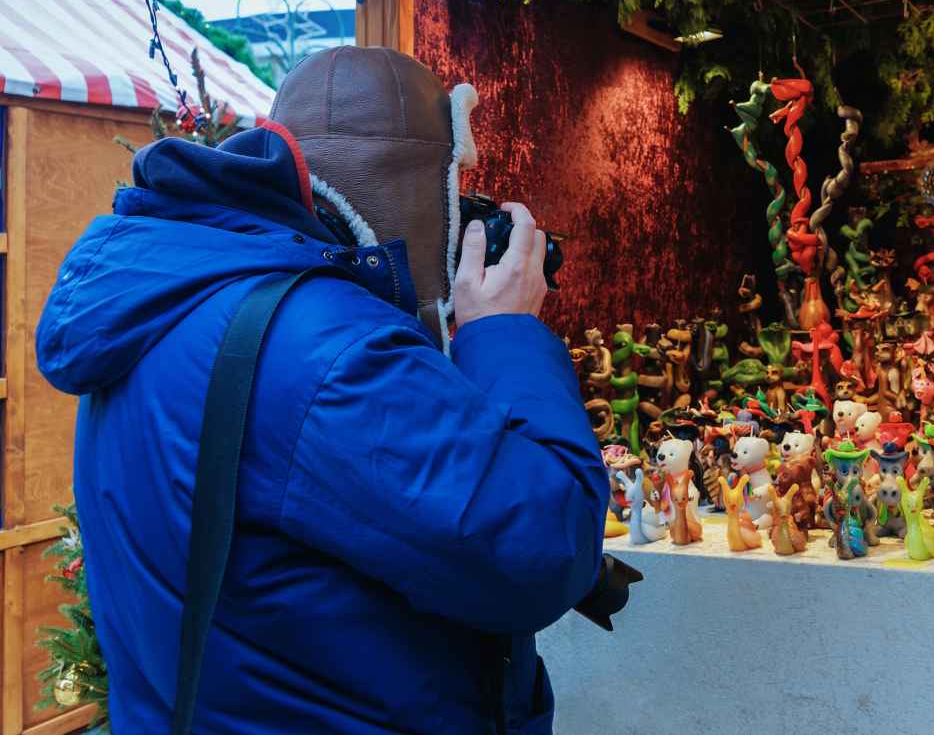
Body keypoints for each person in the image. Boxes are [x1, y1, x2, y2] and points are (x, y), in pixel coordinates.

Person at [36, 47, 608, 733]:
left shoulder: (178, 298)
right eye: (457, 185)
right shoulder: (333, 352)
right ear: (413, 184)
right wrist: (506, 334)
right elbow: (545, 548)